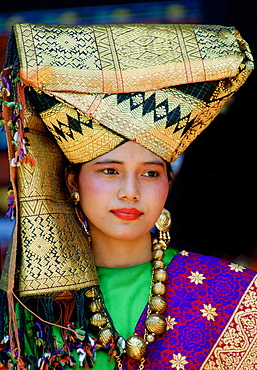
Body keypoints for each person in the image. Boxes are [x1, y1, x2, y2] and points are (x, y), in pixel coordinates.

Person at [0, 23, 256, 370]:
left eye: (150, 173)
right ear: (73, 182)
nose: (131, 192)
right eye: (110, 171)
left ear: (169, 181)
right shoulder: (30, 312)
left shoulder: (232, 294)